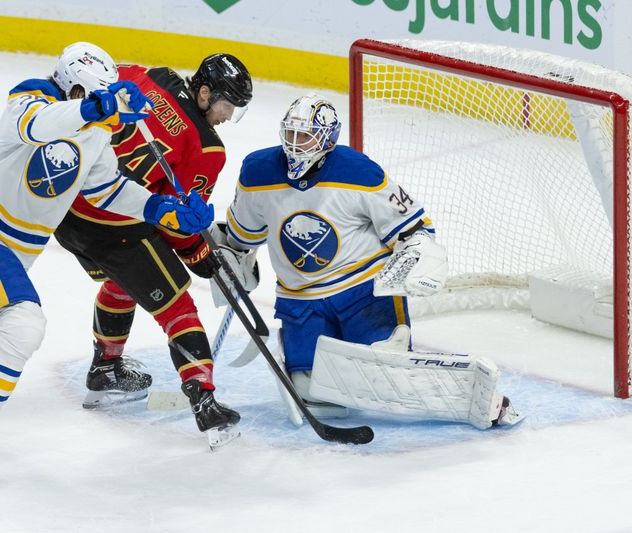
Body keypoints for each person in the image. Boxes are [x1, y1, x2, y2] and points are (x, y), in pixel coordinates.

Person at [0, 42, 214, 481]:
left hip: (14, 248)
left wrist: (161, 210)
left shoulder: (96, 129)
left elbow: (106, 189)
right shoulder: (31, 96)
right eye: (91, 97)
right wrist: (92, 110)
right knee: (24, 324)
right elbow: (37, 126)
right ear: (72, 87)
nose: (101, 109)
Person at [213, 93, 523, 430]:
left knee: (383, 372)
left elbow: (415, 228)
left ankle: (472, 397)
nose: (295, 144)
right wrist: (229, 258)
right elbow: (241, 237)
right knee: (313, 391)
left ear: (327, 139)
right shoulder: (258, 172)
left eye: (305, 136)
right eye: (291, 134)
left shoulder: (358, 171)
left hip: (363, 292)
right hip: (301, 301)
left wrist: (414, 257)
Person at [53, 54, 253, 447]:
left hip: (65, 207)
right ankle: (204, 401)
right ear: (205, 92)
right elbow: (176, 219)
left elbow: (94, 91)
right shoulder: (209, 150)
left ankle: (106, 369)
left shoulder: (148, 77)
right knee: (177, 305)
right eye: (226, 105)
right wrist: (197, 254)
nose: (228, 116)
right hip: (111, 226)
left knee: (126, 279)